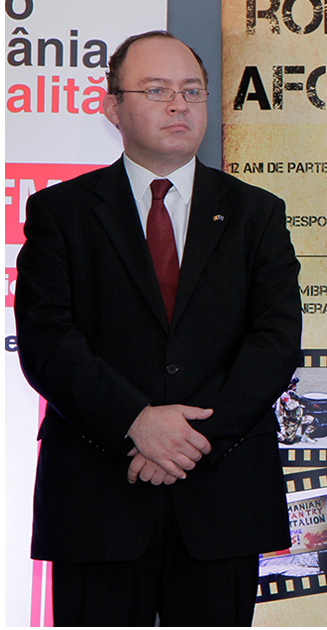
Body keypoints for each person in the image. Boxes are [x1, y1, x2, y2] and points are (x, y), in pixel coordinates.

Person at [15, 30, 302, 626]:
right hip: (99, 494)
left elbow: (275, 343)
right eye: (157, 90)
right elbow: (48, 344)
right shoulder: (61, 213)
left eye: (192, 91)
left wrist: (189, 440)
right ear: (111, 107)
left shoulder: (257, 213)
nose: (179, 105)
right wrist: (135, 423)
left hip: (221, 493)